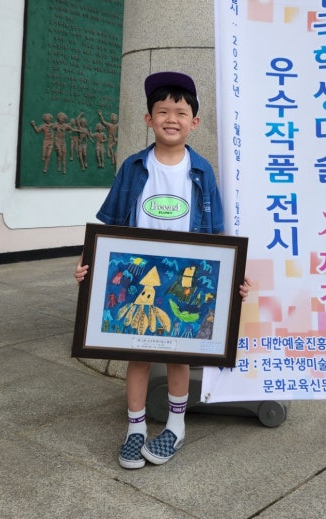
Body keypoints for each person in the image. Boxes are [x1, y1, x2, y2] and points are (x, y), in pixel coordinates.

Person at [74, 71, 250, 469]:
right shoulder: (134, 167)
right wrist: (88, 263)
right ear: (148, 119)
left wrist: (233, 275)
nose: (172, 119)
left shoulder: (202, 172)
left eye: (181, 112)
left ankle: (176, 426)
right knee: (135, 354)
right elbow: (108, 224)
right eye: (163, 111)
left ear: (194, 122)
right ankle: (135, 427)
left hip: (184, 277)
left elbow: (218, 234)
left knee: (178, 354)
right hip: (139, 275)